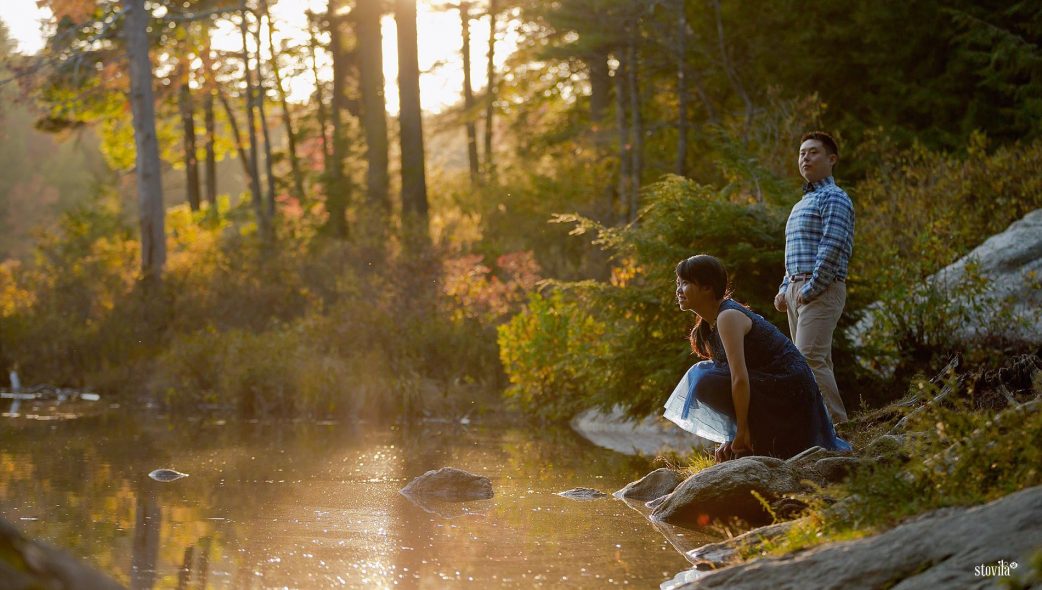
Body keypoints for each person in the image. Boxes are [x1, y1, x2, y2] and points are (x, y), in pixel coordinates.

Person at [663, 254, 851, 461]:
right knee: (703, 375)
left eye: (686, 283)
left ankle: (754, 437)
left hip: (790, 389)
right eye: (678, 283)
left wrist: (740, 433)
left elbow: (739, 378)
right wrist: (732, 436)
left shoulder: (728, 316)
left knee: (705, 380)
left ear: (707, 287)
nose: (678, 290)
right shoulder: (707, 326)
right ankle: (751, 436)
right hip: (767, 384)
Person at [773, 131, 854, 424]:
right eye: (802, 153)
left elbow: (832, 247)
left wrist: (811, 288)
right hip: (798, 290)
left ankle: (839, 431)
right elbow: (793, 253)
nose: (805, 157)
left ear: (831, 159)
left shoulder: (835, 197)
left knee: (807, 361)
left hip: (821, 288)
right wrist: (786, 288)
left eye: (813, 152)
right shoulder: (800, 205)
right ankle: (825, 430)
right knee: (817, 362)